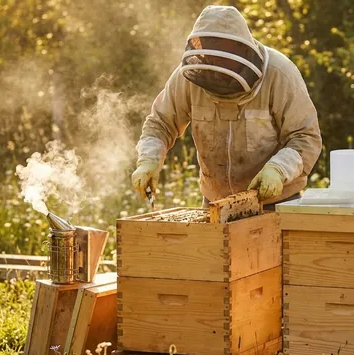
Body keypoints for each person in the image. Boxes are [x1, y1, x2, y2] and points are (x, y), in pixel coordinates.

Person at [131, 5, 322, 207]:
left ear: (241, 48)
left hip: (277, 203)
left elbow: (305, 137)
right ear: (200, 45)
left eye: (223, 55)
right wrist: (149, 160)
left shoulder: (279, 73)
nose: (216, 65)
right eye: (211, 53)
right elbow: (160, 124)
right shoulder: (189, 75)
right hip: (215, 204)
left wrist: (278, 169)